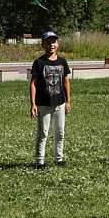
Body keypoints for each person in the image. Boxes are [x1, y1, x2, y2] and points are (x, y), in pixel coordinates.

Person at [29, 31, 71, 169]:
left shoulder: (62, 62)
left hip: (60, 102)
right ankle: (39, 161)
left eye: (53, 42)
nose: (51, 45)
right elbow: (33, 83)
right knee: (43, 133)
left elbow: (65, 82)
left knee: (60, 132)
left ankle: (59, 158)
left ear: (57, 44)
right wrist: (33, 104)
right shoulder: (39, 63)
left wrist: (68, 101)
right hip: (43, 104)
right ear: (43, 45)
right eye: (48, 42)